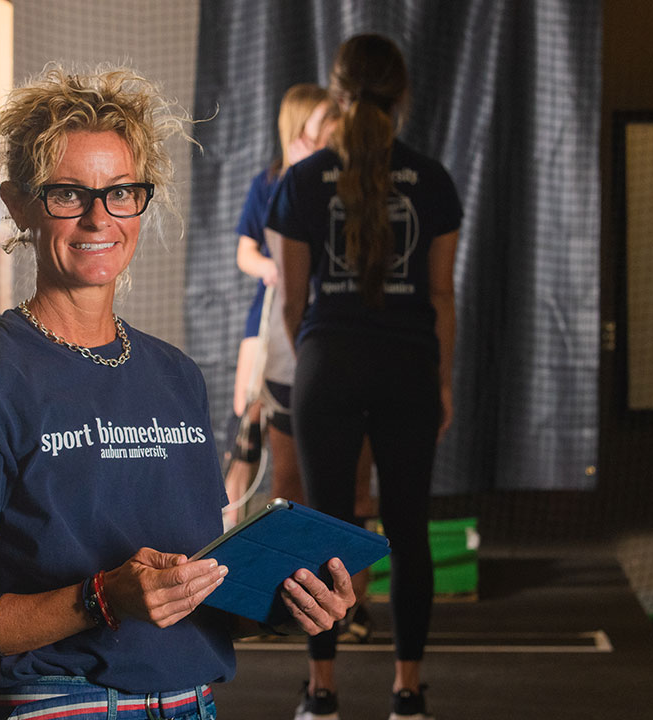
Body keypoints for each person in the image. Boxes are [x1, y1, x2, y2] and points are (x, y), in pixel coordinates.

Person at [0, 64, 354, 720]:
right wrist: (100, 598)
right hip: (62, 705)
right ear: (18, 201)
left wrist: (284, 607)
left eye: (122, 192)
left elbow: (188, 599)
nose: (99, 217)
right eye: (68, 194)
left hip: (195, 702)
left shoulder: (176, 376)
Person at [268, 34, 462, 720]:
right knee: (408, 532)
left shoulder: (300, 180)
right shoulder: (432, 180)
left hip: (330, 365)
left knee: (327, 529)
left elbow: (292, 302)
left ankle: (322, 692)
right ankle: (407, 691)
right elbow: (441, 295)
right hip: (409, 364)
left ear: (337, 93)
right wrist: (440, 382)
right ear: (402, 95)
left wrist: (322, 357)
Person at [223, 83, 335, 524]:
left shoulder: (329, 178)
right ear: (302, 122)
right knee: (250, 410)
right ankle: (230, 517)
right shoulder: (270, 181)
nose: (334, 126)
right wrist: (273, 269)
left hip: (313, 319)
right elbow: (245, 251)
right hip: (269, 315)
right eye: (325, 118)